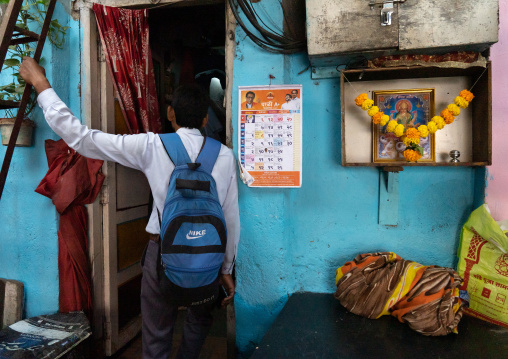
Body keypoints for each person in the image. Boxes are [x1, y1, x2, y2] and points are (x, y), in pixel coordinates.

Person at [19, 57, 240, 359]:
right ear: (205, 120)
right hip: (209, 253)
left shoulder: (151, 146)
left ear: (170, 113)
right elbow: (230, 219)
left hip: (161, 252)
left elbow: (82, 139)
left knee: (157, 328)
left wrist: (41, 84)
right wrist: (226, 269)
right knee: (200, 316)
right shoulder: (225, 156)